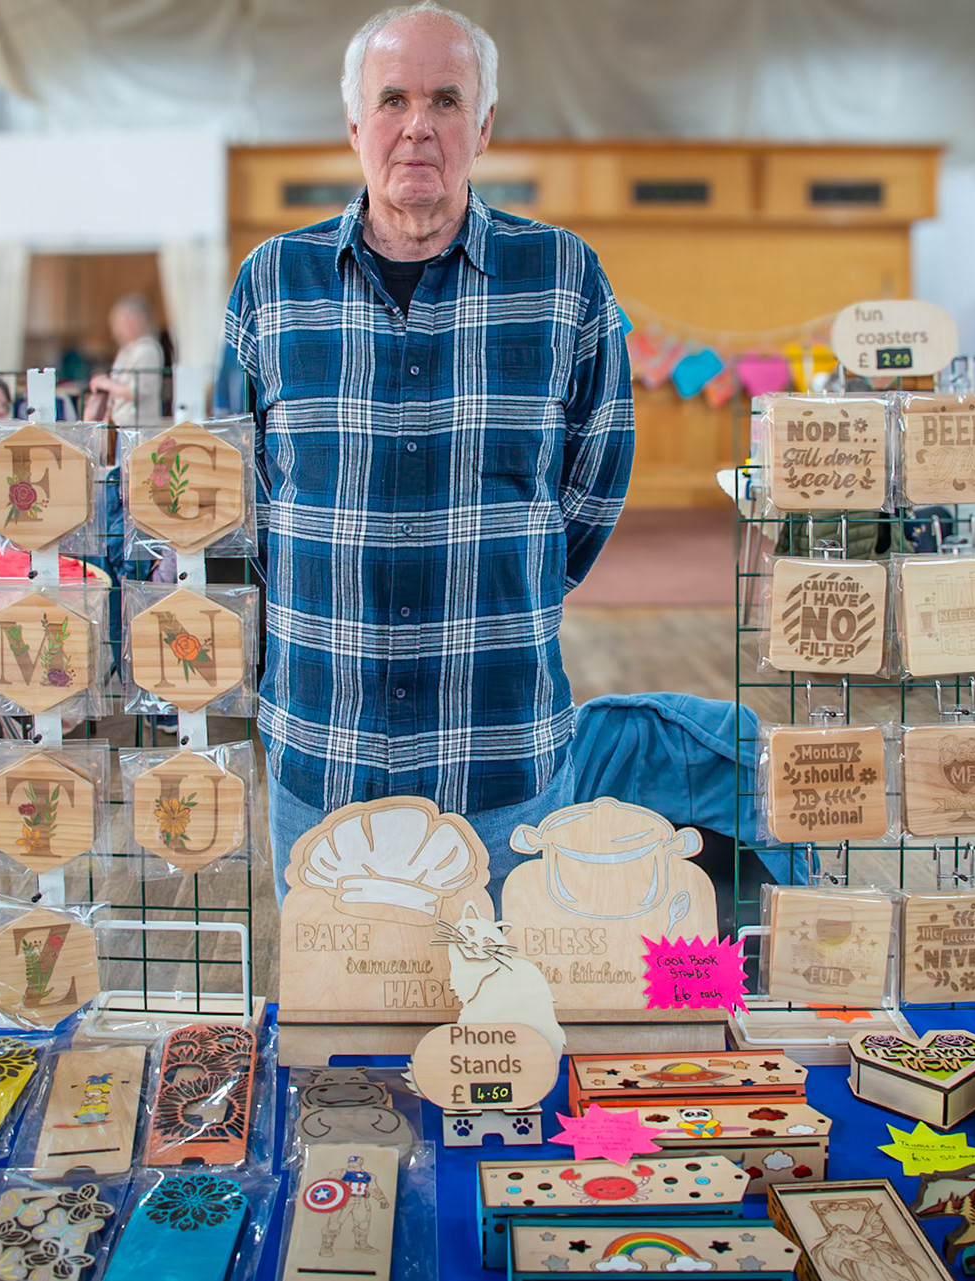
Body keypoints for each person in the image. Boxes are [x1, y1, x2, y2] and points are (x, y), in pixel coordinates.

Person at [227, 1, 634, 899]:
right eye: (394, 99)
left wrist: (509, 582)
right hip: (320, 757)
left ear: (483, 126)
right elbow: (240, 505)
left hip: (497, 759)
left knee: (500, 1027)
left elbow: (596, 484)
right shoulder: (271, 285)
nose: (418, 124)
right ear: (353, 124)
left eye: (447, 100)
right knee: (331, 1038)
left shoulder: (564, 277)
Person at [88, 295, 164, 426]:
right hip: (121, 424)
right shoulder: (125, 350)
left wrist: (107, 384)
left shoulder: (146, 350)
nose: (117, 329)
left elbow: (139, 391)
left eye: (122, 323)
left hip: (140, 427)